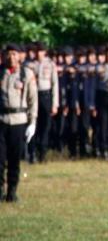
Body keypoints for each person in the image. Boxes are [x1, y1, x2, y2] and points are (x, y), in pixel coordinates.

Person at [0, 44, 38, 202]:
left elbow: (32, 99)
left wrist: (32, 122)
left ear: (19, 56)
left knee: (14, 159)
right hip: (1, 120)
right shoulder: (1, 73)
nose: (11, 57)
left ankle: (12, 191)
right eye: (8, 54)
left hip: (19, 121)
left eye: (14, 54)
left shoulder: (26, 74)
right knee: (0, 159)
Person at [28, 42, 59, 163]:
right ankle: (32, 153)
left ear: (45, 52)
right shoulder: (29, 64)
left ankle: (43, 153)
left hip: (46, 96)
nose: (38, 53)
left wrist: (55, 104)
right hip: (33, 97)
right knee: (33, 124)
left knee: (45, 126)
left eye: (41, 51)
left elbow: (55, 84)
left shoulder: (50, 64)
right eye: (36, 51)